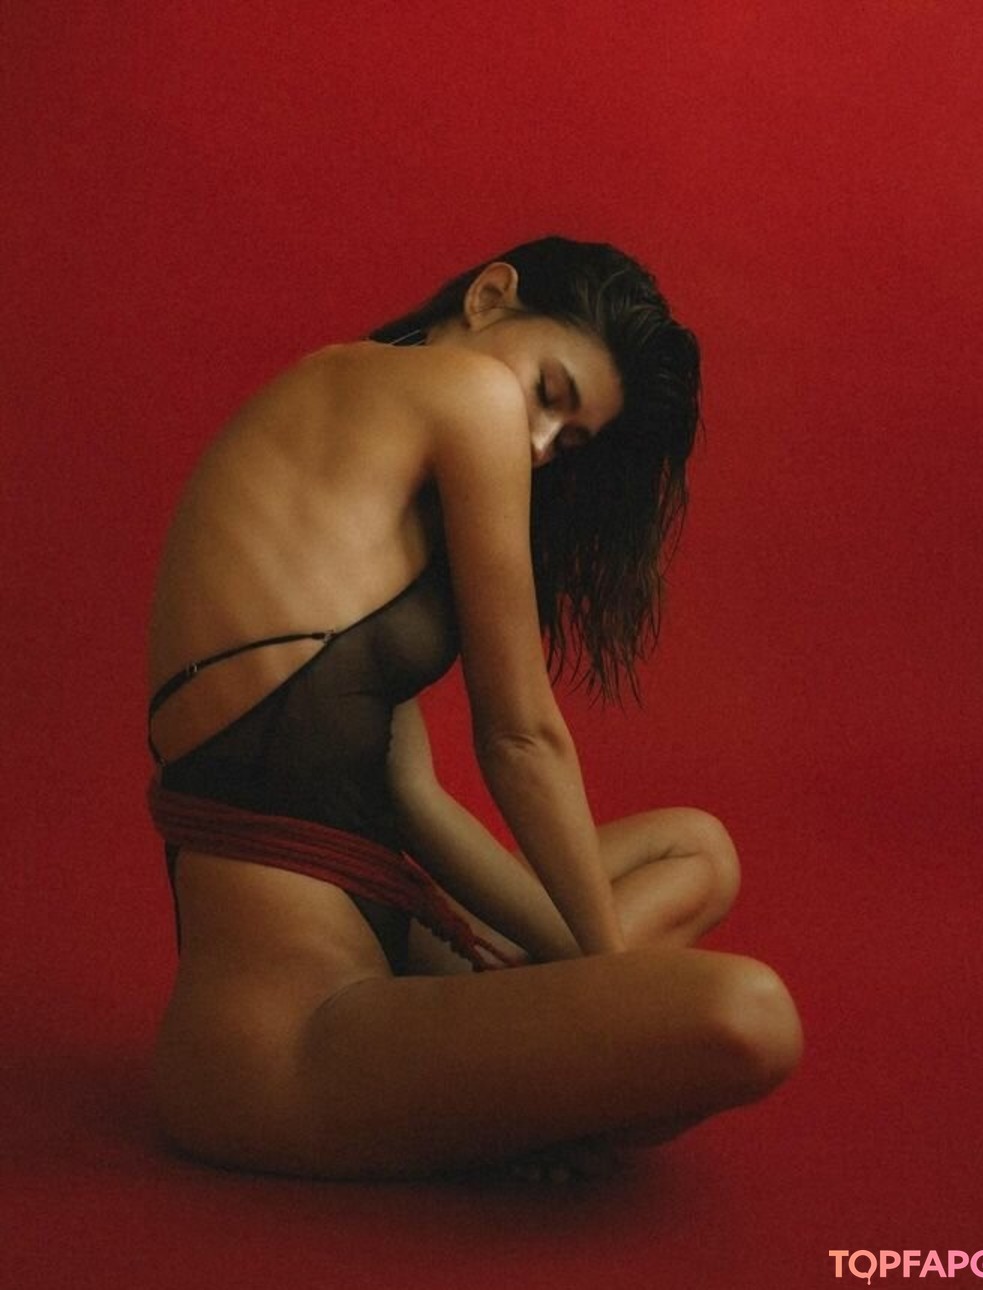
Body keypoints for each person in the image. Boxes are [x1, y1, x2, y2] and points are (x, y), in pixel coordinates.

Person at [146, 235, 802, 1182]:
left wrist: (570, 971)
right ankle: (526, 1100)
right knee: (749, 1017)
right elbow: (522, 738)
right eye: (549, 394)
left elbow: (412, 799)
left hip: (384, 950)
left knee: (698, 850)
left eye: (567, 444)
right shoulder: (468, 393)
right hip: (296, 1037)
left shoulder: (335, 455)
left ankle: (512, 1095)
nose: (537, 446)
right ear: (492, 296)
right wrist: (609, 986)